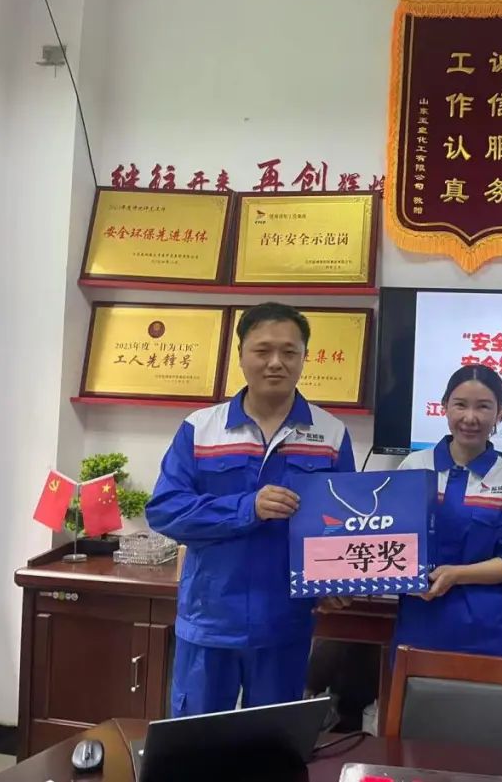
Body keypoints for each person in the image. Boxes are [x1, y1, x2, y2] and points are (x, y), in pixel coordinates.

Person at [147, 302, 355, 716]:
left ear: (304, 358)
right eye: (263, 350)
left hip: (285, 622)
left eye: (289, 352)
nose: (276, 362)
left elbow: (345, 523)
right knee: (196, 741)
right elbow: (166, 510)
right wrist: (248, 507)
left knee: (272, 741)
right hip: (209, 618)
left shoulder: (330, 434)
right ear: (240, 354)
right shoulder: (200, 429)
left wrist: (337, 580)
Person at [393, 364, 502, 657]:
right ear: (444, 407)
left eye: (483, 407)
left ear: (500, 413)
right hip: (419, 621)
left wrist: (457, 575)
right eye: (460, 405)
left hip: (487, 628)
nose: (470, 418)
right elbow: (389, 541)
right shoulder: (414, 467)